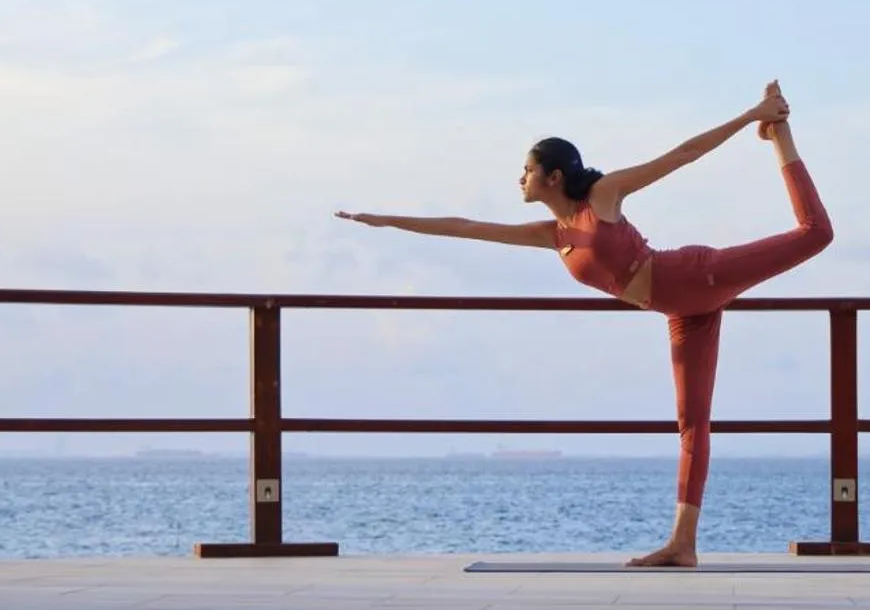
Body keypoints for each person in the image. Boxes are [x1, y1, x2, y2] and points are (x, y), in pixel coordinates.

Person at [335, 81, 833, 566]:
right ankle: (682, 543)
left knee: (816, 233)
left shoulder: (602, 195)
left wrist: (752, 116)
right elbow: (465, 228)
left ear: (553, 177)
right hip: (681, 311)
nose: (520, 178)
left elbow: (681, 155)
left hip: (696, 274)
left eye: (527, 170)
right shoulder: (553, 235)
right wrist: (385, 220)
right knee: (692, 424)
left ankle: (779, 132)